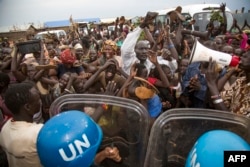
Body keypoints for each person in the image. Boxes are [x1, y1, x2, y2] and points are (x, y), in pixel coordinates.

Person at [0, 81, 44, 167]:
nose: (40, 102)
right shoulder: (39, 132)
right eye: (38, 99)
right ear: (28, 107)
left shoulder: (5, 128)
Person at [205, 50, 250, 118]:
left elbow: (235, 122)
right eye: (247, 51)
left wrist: (212, 85)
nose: (244, 54)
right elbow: (215, 103)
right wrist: (212, 82)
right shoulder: (240, 81)